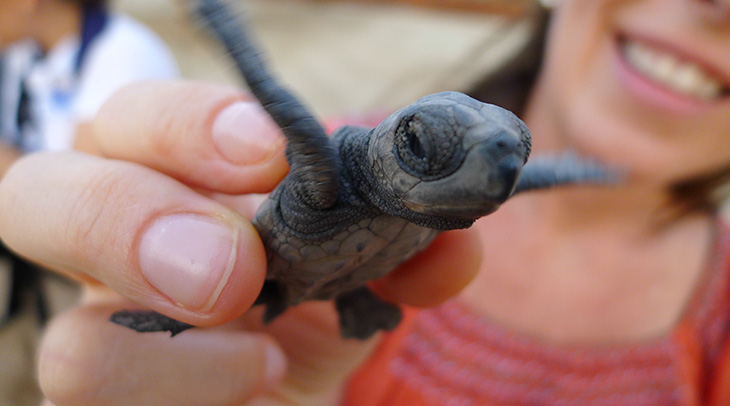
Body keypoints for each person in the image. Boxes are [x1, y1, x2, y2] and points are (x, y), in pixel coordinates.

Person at [0, 0, 729, 406]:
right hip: (277, 295)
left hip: (347, 285)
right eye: (425, 148)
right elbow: (274, 98)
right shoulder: (319, 164)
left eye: (505, 170)